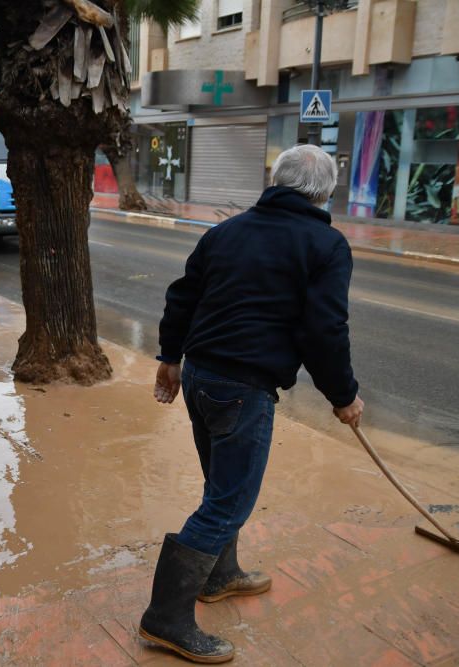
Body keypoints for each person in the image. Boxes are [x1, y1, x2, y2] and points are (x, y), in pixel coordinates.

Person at [139, 144, 364, 663]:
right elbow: (325, 330)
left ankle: (220, 576)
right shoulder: (326, 244)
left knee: (222, 488)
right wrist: (344, 396)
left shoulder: (226, 231)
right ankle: (166, 618)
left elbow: (182, 298)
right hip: (243, 387)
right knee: (228, 501)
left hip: (199, 377)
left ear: (277, 182)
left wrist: (170, 358)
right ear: (324, 193)